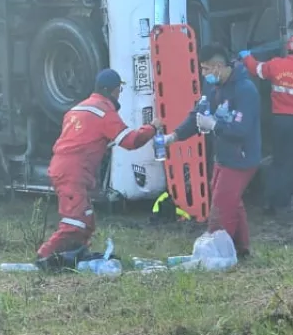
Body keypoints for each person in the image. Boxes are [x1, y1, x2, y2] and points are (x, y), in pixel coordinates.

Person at [36, 69, 158, 265]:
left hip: (63, 166)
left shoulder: (77, 109)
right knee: (76, 222)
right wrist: (153, 127)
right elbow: (130, 141)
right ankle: (44, 258)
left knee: (87, 221)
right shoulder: (103, 111)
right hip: (73, 172)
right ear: (113, 90)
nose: (120, 94)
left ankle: (74, 257)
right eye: (120, 90)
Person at [167, 43, 262, 256]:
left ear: (218, 66)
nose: (203, 74)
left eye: (206, 69)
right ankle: (241, 248)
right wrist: (175, 135)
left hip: (241, 156)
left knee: (221, 205)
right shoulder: (213, 86)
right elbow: (197, 114)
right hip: (223, 155)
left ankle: (216, 252)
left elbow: (241, 130)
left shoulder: (246, 91)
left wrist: (215, 126)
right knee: (232, 201)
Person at [241, 34, 293, 213]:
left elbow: (256, 69)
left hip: (278, 121)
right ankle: (284, 202)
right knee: (292, 163)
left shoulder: (276, 64)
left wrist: (246, 56)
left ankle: (269, 201)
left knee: (278, 161)